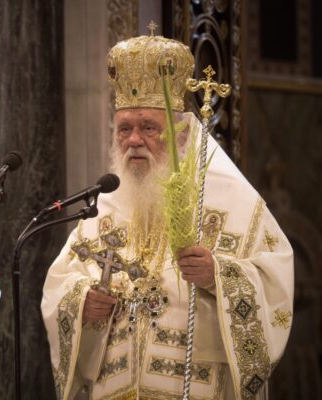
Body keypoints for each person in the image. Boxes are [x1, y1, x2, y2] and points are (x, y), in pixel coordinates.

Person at [41, 34, 293, 399]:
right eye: (124, 128)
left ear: (182, 134)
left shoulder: (232, 201)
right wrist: (82, 302)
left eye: (148, 127)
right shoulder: (102, 209)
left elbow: (276, 282)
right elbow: (60, 283)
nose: (134, 140)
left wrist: (218, 275)